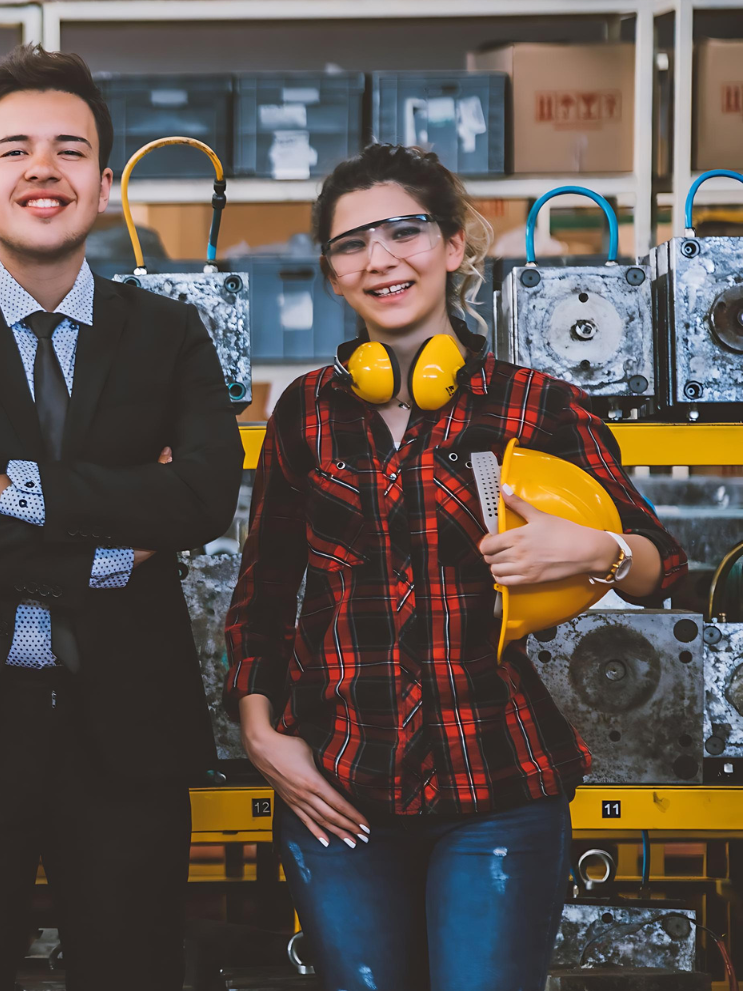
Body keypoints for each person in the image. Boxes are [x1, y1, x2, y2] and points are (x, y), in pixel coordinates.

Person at [223, 144, 689, 991]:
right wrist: (260, 731)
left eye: (405, 231)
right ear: (332, 274)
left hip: (497, 790)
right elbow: (262, 598)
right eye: (353, 243)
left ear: (452, 247)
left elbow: (662, 568)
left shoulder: (535, 404)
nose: (381, 259)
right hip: (336, 789)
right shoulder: (306, 414)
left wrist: (600, 551)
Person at [0, 44, 244, 990]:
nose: (43, 169)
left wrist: (12, 490)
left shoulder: (168, 334)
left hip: (127, 725)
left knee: (133, 970)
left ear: (105, 187)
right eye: (16, 149)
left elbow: (201, 495)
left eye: (70, 151)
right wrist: (113, 552)